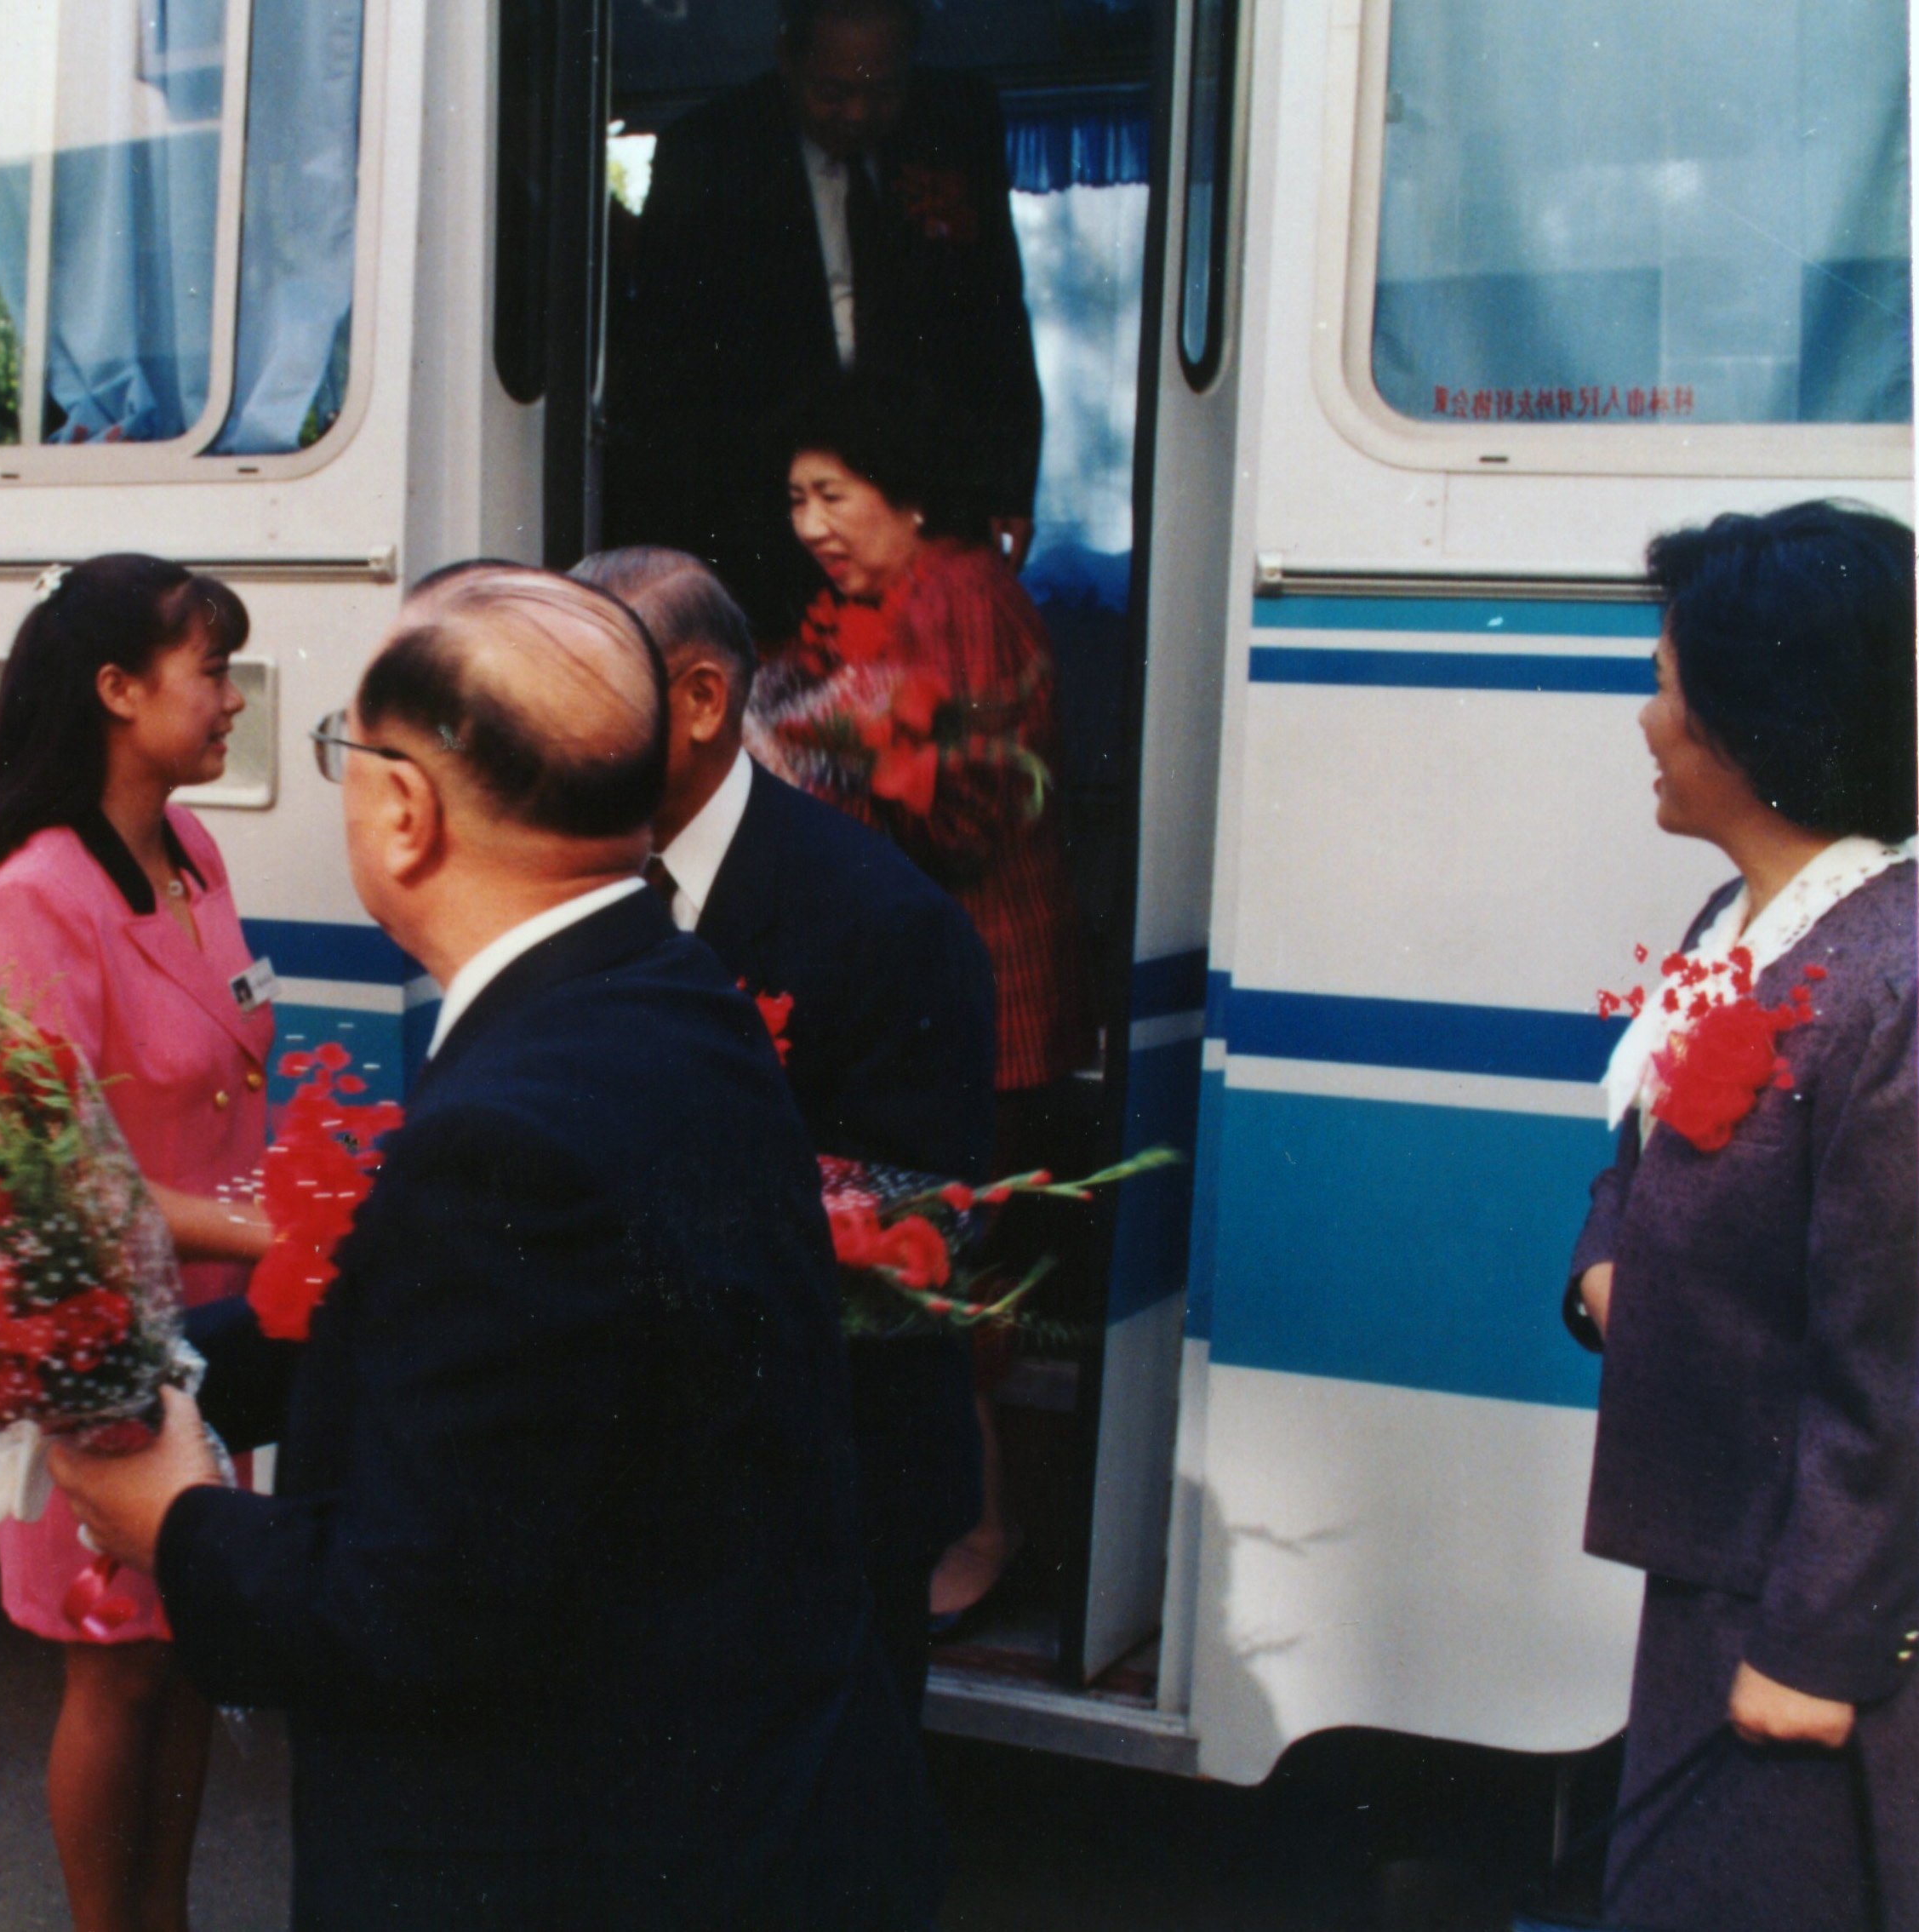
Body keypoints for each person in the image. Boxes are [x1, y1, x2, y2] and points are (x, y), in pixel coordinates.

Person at [49, 565, 941, 1930]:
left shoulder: (505, 1131)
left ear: (403, 812)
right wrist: (174, 1356)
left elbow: (388, 1617)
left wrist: (170, 1519)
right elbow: (506, 1361)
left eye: (346, 750)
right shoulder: (672, 988)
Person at [1564, 502, 1919, 1932]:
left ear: (1751, 727)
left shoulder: (1888, 988)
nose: (1645, 719)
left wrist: (1816, 1652)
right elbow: (1636, 1144)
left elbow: (1895, 1376)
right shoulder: (1748, 917)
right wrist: (1601, 1262)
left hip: (1797, 1622)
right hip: (1718, 1569)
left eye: (1664, 682)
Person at [574, 542, 992, 1701]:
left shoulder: (881, 924)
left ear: (703, 699)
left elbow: (926, 1248)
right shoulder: (566, 876)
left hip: (826, 1491)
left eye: (575, 695)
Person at [0, 553, 277, 1932]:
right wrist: (273, 1230)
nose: (229, 699)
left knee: (191, 1641)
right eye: (208, 670)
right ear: (114, 690)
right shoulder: (35, 898)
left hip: (219, 1316)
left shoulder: (193, 853)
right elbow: (58, 1189)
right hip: (105, 1329)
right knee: (115, 1666)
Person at [755, 370, 1089, 1620]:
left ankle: (977, 1527)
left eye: (832, 494)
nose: (809, 525)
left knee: (935, 1269)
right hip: (932, 994)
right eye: (794, 499)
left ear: (904, 494)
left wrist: (827, 734)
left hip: (981, 995)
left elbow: (969, 803)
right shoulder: (876, 602)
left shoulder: (956, 595)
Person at [614, 0, 1042, 637]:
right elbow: (665, 371)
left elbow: (997, 317)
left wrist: (1008, 482)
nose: (860, 115)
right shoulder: (707, 151)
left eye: (884, 91)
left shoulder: (958, 124)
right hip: (765, 506)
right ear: (789, 58)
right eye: (833, 92)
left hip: (924, 494)